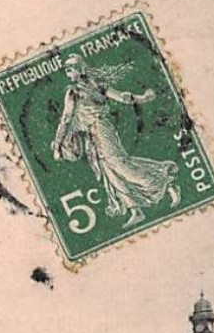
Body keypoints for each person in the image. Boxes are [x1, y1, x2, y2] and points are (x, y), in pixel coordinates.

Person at [50, 54, 179, 229]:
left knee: (120, 166)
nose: (68, 72)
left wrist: (57, 145)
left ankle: (165, 184)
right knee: (109, 172)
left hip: (101, 130)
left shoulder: (84, 89)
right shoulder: (79, 89)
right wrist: (142, 98)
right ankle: (135, 210)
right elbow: (68, 118)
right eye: (66, 69)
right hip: (91, 136)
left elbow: (66, 119)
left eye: (70, 68)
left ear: (80, 69)